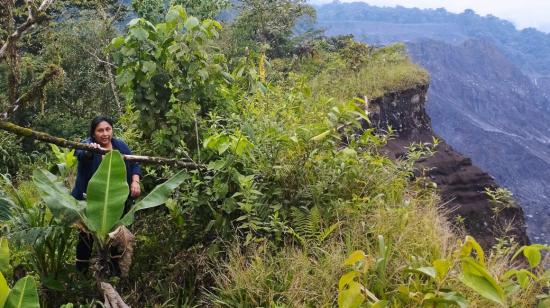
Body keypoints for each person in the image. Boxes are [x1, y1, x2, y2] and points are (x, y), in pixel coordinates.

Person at [71, 116, 141, 272]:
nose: (105, 133)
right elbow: (81, 154)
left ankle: (115, 271)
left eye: (108, 129)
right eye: (100, 130)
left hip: (116, 201)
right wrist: (91, 150)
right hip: (88, 202)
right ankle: (81, 273)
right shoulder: (87, 145)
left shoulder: (119, 146)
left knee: (115, 237)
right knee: (85, 238)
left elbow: (135, 163)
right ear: (93, 133)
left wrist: (135, 181)